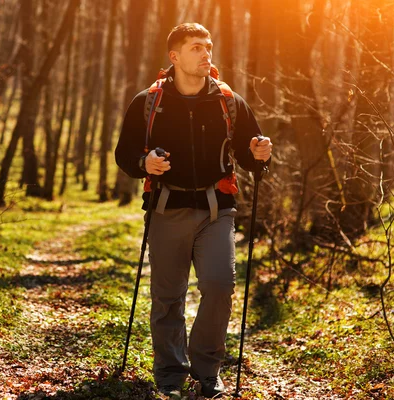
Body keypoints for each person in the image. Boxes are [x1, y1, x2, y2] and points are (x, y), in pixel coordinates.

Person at [115, 23, 272, 398]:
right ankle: (169, 374)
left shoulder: (228, 102)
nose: (206, 54)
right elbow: (125, 154)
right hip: (167, 209)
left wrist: (260, 154)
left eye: (209, 47)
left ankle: (206, 373)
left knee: (219, 287)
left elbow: (253, 156)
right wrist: (144, 163)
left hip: (217, 211)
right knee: (167, 297)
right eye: (196, 48)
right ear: (175, 56)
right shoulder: (149, 102)